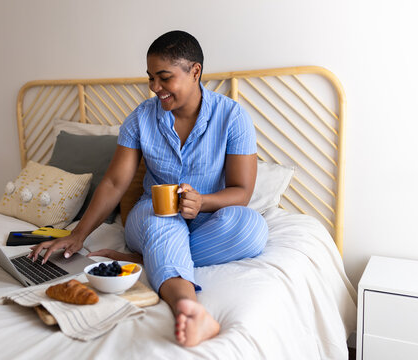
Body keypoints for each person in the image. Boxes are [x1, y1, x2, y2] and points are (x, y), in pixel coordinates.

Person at [29, 30, 268, 347]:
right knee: (162, 219)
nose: (155, 88)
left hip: (208, 217)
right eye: (151, 78)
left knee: (252, 228)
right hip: (153, 216)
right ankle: (190, 308)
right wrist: (77, 235)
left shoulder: (233, 117)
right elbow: (115, 182)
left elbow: (241, 192)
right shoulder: (140, 118)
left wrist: (203, 201)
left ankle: (145, 258)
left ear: (194, 71)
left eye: (164, 77)